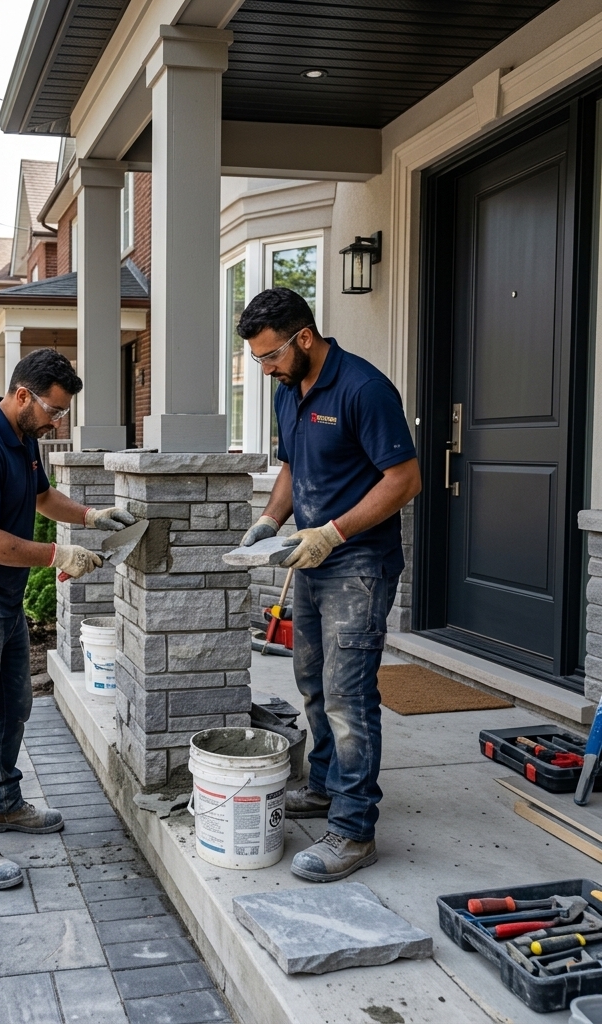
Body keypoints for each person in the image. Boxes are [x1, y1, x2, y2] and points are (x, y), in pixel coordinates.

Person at [0, 349, 137, 890]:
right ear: (23, 394)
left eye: (62, 414)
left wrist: (90, 516)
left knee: (15, 707)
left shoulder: (23, 439)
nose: (56, 421)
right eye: (53, 410)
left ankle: (2, 803)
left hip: (2, 601)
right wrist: (57, 556)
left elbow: (42, 497)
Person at [237, 288, 422, 882]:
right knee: (312, 682)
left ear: (304, 339)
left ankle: (353, 828)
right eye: (259, 360)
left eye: (269, 356)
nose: (265, 368)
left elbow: (405, 479)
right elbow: (292, 465)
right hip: (311, 559)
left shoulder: (365, 390)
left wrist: (334, 532)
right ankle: (323, 784)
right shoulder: (287, 391)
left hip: (358, 563)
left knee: (348, 694)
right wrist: (271, 521)